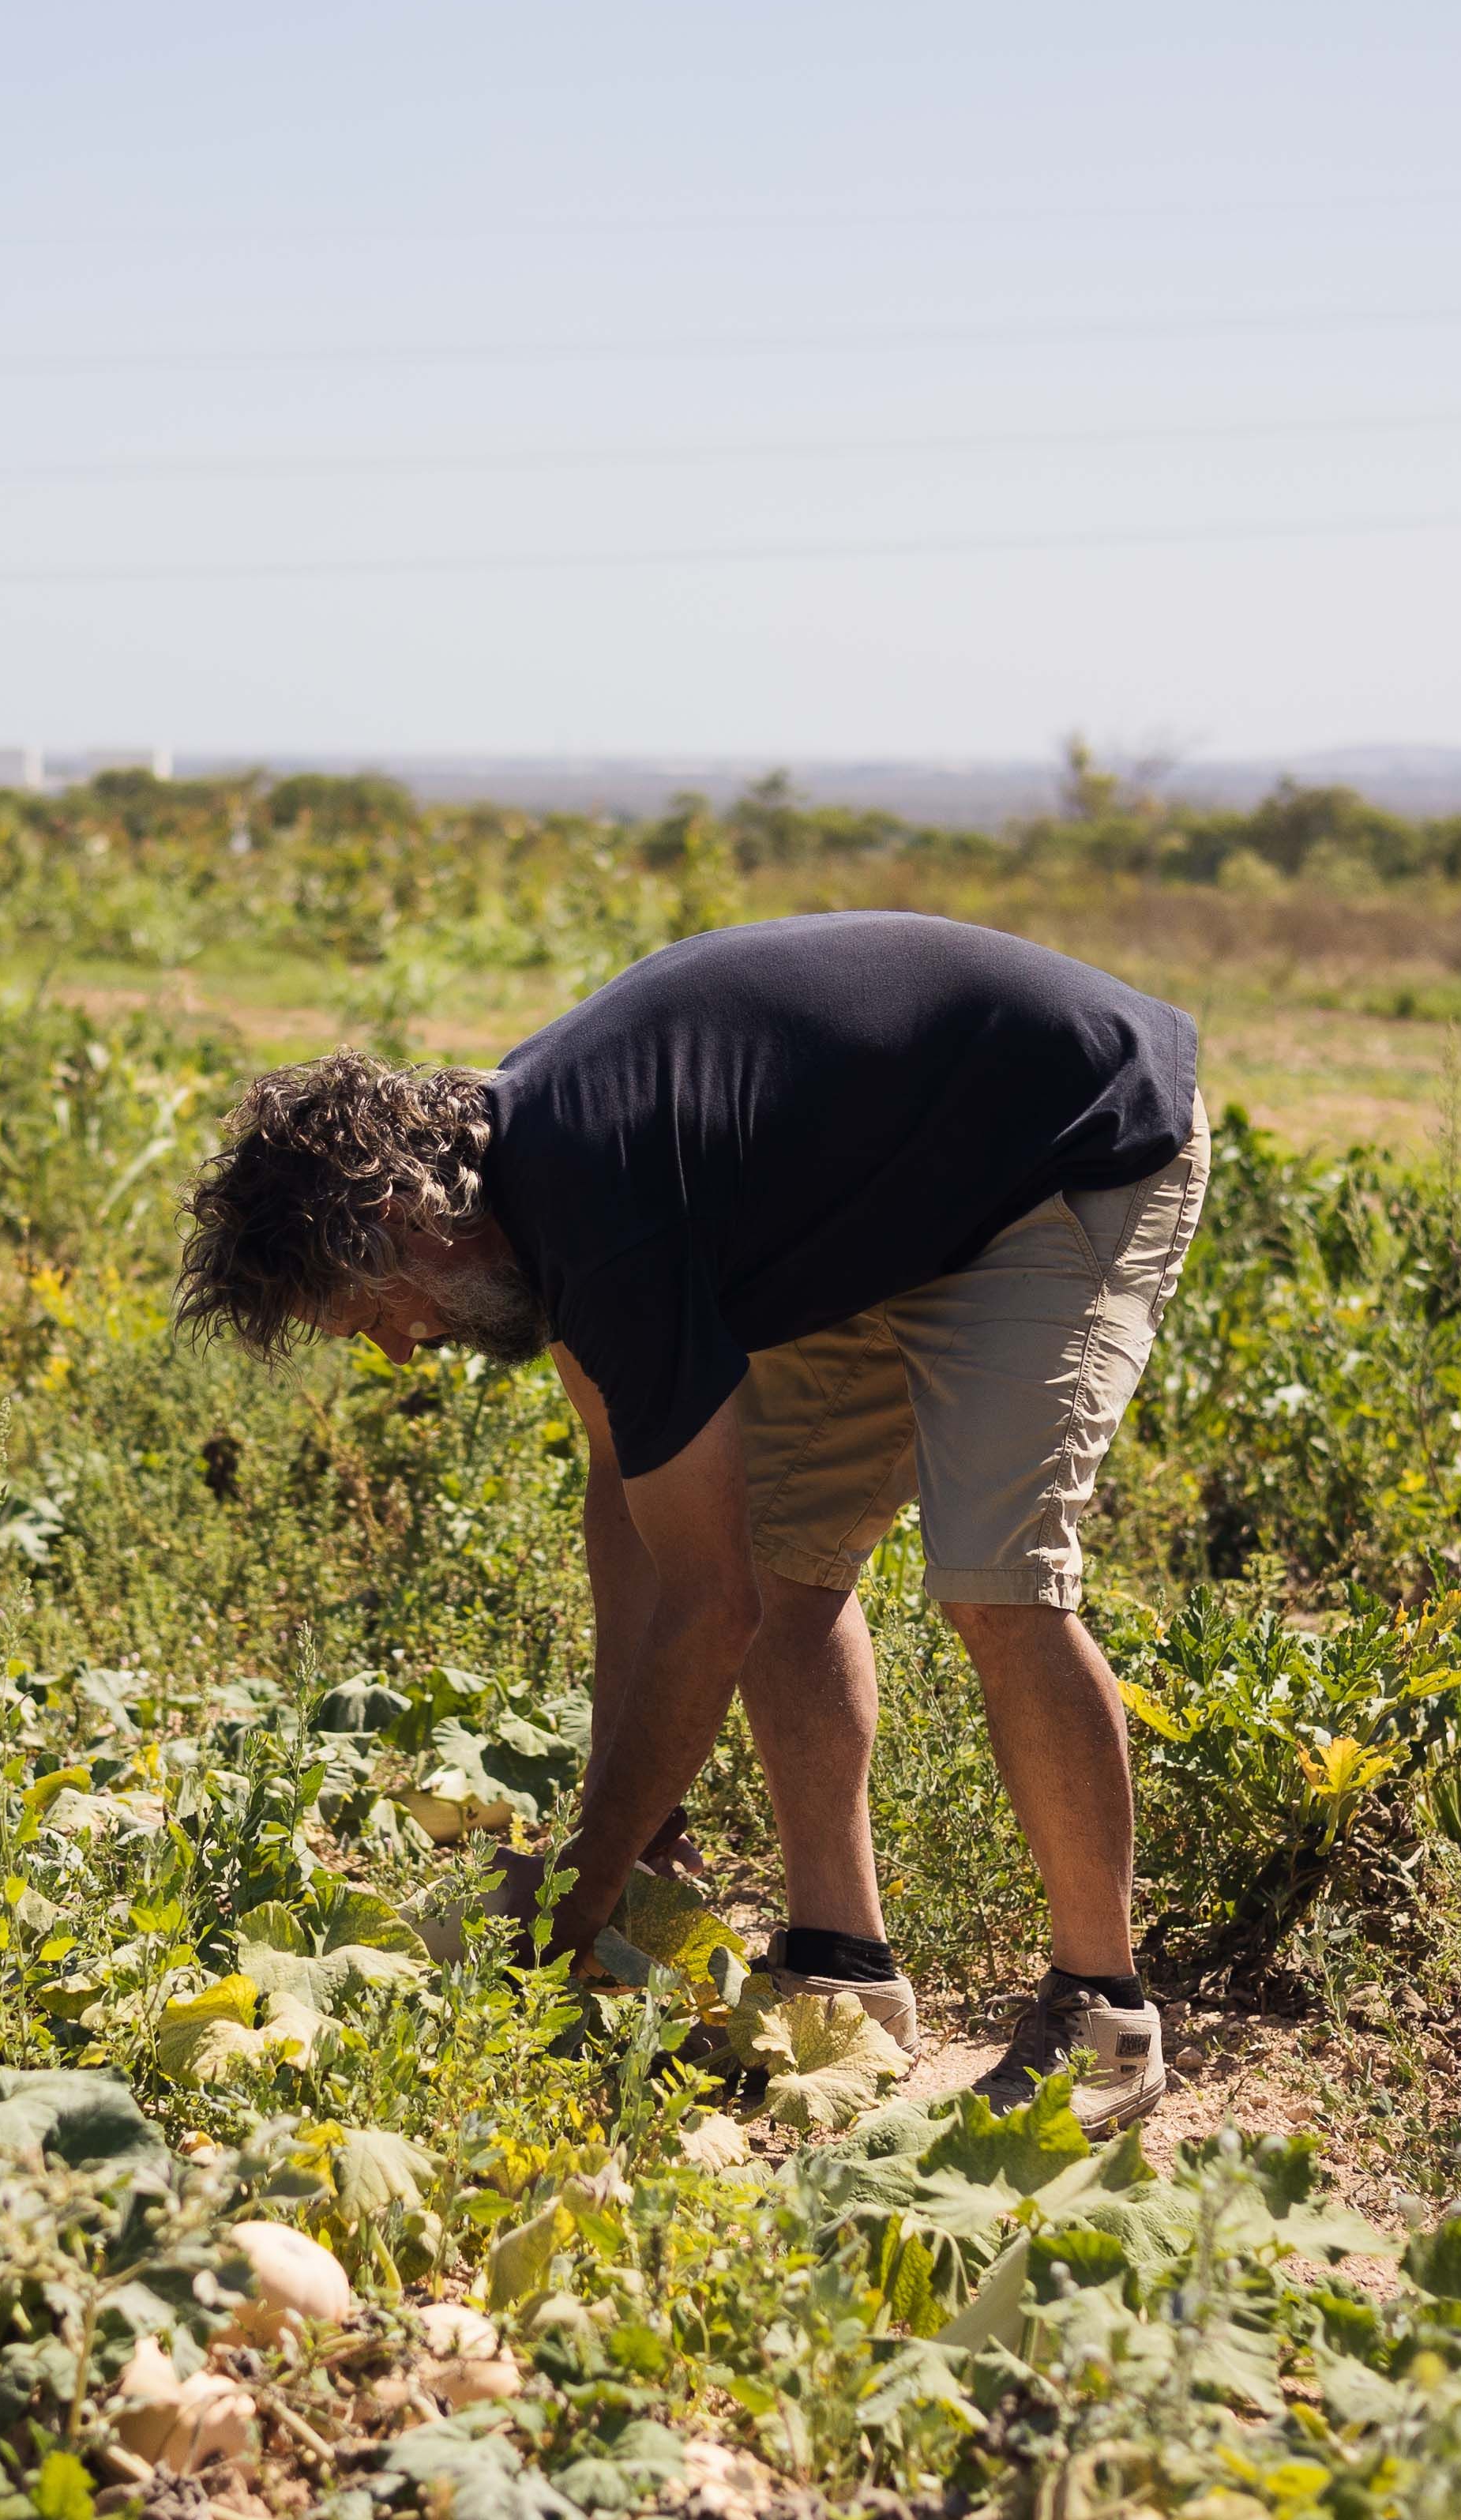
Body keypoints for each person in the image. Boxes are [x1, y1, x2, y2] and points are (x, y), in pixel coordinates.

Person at [175, 909, 1207, 2131]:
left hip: (1062, 1146)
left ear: (408, 1218)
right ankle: (843, 1967)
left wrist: (580, 1893)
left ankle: (1103, 2014)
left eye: (373, 1314)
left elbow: (701, 1610)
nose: (402, 1349)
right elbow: (631, 1502)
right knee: (779, 1559)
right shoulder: (518, 1192)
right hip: (891, 1197)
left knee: (997, 1580)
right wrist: (638, 1811)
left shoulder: (598, 1201)